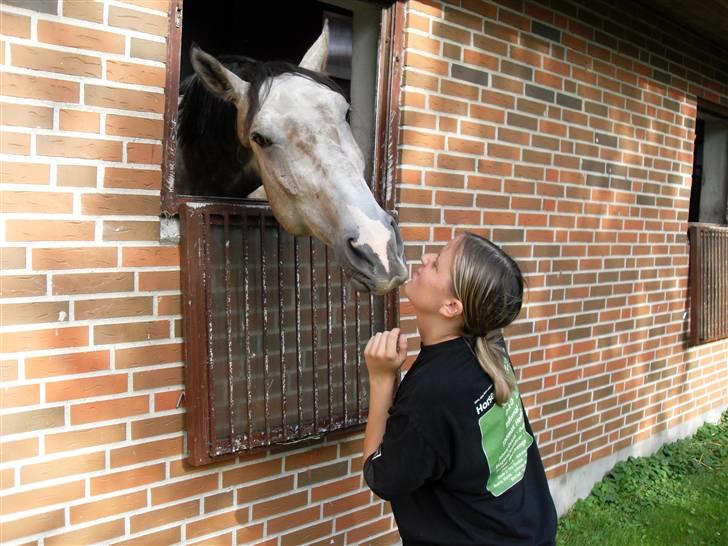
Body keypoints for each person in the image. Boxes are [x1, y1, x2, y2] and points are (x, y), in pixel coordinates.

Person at [362, 232, 557, 545]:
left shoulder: (434, 392)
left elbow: (380, 474)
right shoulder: (490, 343)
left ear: (452, 306)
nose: (425, 259)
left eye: (437, 264)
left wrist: (381, 378)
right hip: (529, 529)